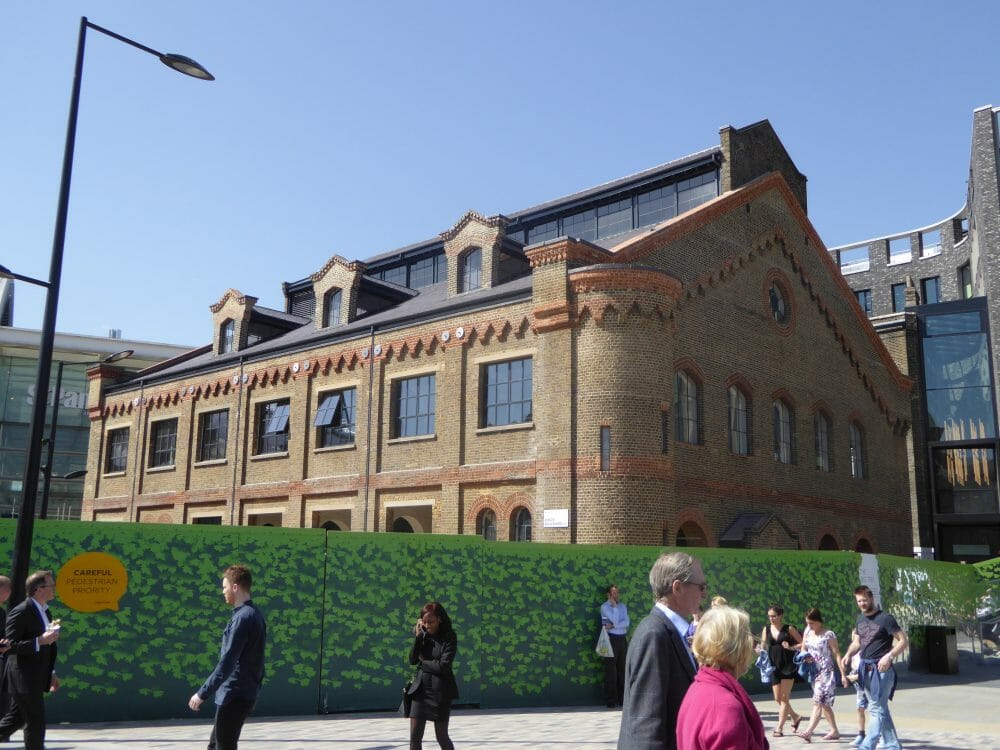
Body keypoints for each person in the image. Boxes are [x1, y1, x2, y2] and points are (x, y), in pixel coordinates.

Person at [618, 551, 706, 750]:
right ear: (678, 587)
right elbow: (647, 720)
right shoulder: (655, 635)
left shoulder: (668, 631)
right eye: (701, 587)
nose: (704, 594)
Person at [189, 564, 267, 750]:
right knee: (215, 745)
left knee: (223, 746)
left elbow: (228, 662)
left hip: (234, 695)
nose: (223, 592)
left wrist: (202, 693)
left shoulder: (243, 618)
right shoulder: (255, 615)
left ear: (235, 587)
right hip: (239, 693)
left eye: (224, 587)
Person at [676, 605, 769, 750]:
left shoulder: (698, 688)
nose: (752, 645)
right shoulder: (725, 707)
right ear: (736, 648)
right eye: (748, 638)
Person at [841, 585, 908, 750]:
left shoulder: (886, 618)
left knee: (876, 708)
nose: (862, 603)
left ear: (871, 599)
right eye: (859, 601)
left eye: (864, 600)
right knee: (880, 708)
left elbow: (903, 641)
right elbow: (857, 642)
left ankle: (867, 745)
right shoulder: (860, 619)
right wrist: (848, 654)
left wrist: (889, 656)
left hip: (883, 670)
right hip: (866, 669)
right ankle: (892, 744)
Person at [0, 570, 60, 750]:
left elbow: (48, 646)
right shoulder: (22, 611)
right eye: (51, 585)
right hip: (23, 676)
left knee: (16, 719)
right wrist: (39, 641)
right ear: (39, 589)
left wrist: (52, 673)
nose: (54, 589)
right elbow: (8, 646)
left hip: (36, 674)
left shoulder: (45, 611)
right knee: (35, 721)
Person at [408, 601, 458, 750]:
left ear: (440, 619)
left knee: (441, 736)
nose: (427, 625)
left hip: (440, 691)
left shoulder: (449, 637)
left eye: (431, 621)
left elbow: (443, 666)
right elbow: (412, 660)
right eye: (424, 622)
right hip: (421, 689)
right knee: (414, 737)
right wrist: (418, 638)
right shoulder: (422, 635)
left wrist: (424, 662)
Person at [794, 608, 843, 743]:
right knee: (824, 703)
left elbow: (836, 653)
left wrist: (843, 674)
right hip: (813, 671)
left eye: (812, 623)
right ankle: (834, 730)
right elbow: (803, 648)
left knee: (817, 701)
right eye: (808, 623)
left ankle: (808, 732)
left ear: (819, 621)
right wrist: (806, 657)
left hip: (826, 672)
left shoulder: (828, 634)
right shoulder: (807, 631)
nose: (809, 626)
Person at [758, 604, 802, 737]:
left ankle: (779, 728)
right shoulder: (766, 629)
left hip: (788, 666)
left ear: (780, 616)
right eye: (769, 616)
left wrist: (791, 647)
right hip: (773, 666)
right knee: (777, 698)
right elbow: (764, 645)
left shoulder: (789, 629)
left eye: (774, 616)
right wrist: (759, 649)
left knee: (784, 698)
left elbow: (803, 643)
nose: (771, 618)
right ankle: (795, 716)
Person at [600, 584, 629, 708]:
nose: (616, 595)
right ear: (608, 595)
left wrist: (614, 625)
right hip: (610, 639)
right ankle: (611, 701)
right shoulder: (604, 607)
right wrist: (615, 607)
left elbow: (626, 622)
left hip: (622, 639)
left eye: (617, 593)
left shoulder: (623, 606)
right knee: (610, 671)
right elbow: (617, 621)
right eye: (614, 593)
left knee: (623, 670)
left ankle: (623, 700)